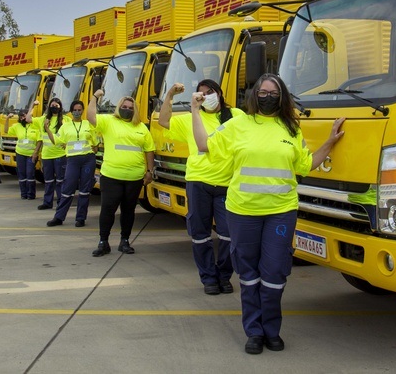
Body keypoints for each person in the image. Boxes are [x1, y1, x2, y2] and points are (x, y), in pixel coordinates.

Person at [191, 73, 345, 355]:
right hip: (243, 211)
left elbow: (305, 165)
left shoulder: (291, 128)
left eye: (274, 92)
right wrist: (194, 110)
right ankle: (254, 331)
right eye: (262, 92)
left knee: (274, 272)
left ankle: (272, 329)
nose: (268, 97)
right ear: (254, 95)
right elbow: (204, 145)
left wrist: (329, 142)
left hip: (280, 212)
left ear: (282, 96)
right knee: (248, 273)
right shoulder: (237, 124)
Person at [158, 79, 244, 295]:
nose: (206, 96)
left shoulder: (236, 115)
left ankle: (224, 275)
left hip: (227, 184)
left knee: (229, 234)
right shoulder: (191, 117)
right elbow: (163, 120)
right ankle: (209, 278)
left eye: (210, 91)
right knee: (200, 233)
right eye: (201, 93)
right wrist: (170, 95)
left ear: (220, 93)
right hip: (198, 182)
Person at [87, 89, 155, 256]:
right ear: (118, 107)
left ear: (135, 110)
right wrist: (95, 97)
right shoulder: (108, 121)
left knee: (128, 211)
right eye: (124, 107)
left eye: (131, 108)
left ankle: (125, 241)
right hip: (111, 176)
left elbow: (149, 150)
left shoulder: (142, 127)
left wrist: (150, 171)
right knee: (107, 210)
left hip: (134, 178)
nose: (127, 109)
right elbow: (90, 116)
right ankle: (103, 242)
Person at [48, 99, 97, 227]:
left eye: (79, 110)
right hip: (72, 160)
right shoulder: (65, 126)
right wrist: (47, 129)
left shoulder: (88, 124)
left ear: (83, 111)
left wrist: (95, 147)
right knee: (67, 188)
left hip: (88, 159)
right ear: (70, 111)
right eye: (74, 110)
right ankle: (59, 217)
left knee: (84, 190)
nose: (77, 112)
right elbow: (56, 140)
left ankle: (80, 218)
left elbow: (96, 142)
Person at [32, 98, 67, 210]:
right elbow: (28, 118)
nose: (54, 107)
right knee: (48, 180)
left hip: (60, 155)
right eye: (52, 105)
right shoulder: (43, 119)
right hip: (47, 156)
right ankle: (47, 202)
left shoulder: (66, 119)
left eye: (56, 106)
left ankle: (61, 202)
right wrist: (33, 106)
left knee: (60, 180)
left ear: (60, 107)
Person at [4, 106, 43, 199]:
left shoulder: (35, 126)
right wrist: (7, 119)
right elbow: (6, 131)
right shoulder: (17, 126)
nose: (22, 118)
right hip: (20, 153)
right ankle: (23, 194)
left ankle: (31, 194)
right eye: (20, 116)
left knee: (30, 173)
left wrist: (35, 153)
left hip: (31, 155)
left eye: (24, 116)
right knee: (21, 173)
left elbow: (39, 140)